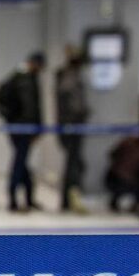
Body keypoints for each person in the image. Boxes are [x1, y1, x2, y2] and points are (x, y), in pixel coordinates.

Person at [0, 53, 45, 212]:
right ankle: (13, 199)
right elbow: (32, 107)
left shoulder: (15, 76)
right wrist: (35, 127)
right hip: (24, 128)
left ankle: (28, 198)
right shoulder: (26, 79)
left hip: (16, 126)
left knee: (22, 163)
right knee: (19, 163)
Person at [56, 46, 90, 213]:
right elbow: (72, 102)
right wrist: (80, 113)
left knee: (74, 164)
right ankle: (70, 200)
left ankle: (69, 200)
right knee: (73, 165)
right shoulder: (70, 77)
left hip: (71, 124)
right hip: (72, 125)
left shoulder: (70, 75)